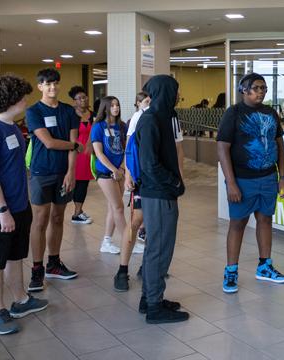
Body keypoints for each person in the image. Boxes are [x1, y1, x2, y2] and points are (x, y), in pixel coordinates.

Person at [0, 75, 48, 335]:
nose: (26, 101)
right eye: (23, 97)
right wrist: (3, 211)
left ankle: (21, 300)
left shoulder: (13, 128)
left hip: (18, 205)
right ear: (11, 101)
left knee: (15, 256)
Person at [216, 72, 284, 295]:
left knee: (265, 220)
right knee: (237, 224)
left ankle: (265, 266)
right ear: (244, 90)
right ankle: (231, 271)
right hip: (242, 180)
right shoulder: (233, 113)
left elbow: (280, 145)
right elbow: (222, 147)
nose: (261, 92)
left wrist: (282, 177)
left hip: (268, 178)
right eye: (257, 88)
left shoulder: (270, 113)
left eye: (264, 88)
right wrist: (231, 183)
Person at [135, 74, 188, 324]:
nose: (177, 95)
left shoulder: (162, 117)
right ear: (165, 91)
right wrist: (174, 182)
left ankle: (150, 298)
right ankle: (154, 306)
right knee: (159, 249)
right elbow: (148, 164)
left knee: (155, 248)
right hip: (159, 193)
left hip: (160, 192)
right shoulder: (151, 120)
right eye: (175, 90)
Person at [26, 68, 82, 292]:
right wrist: (74, 146)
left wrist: (71, 172)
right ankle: (37, 270)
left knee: (58, 218)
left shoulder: (68, 111)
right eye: (47, 84)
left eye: (55, 83)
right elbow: (48, 143)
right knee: (40, 220)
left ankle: (54, 264)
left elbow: (73, 143)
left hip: (63, 173)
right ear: (40, 86)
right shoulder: (33, 111)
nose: (52, 87)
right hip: (41, 172)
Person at [113, 92, 149, 291]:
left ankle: (147, 266)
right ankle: (122, 270)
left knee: (154, 224)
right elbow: (129, 148)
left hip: (159, 180)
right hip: (141, 178)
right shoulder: (138, 116)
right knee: (135, 221)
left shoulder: (170, 117)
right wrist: (128, 175)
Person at [90, 96, 126, 254]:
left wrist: (122, 169)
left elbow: (125, 149)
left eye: (117, 105)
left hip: (120, 171)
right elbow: (99, 153)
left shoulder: (121, 126)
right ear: (105, 108)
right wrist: (114, 170)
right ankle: (128, 240)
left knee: (113, 207)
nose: (115, 108)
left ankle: (106, 242)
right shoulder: (98, 127)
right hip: (105, 172)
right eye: (112, 105)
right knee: (119, 207)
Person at [68, 86, 95, 225]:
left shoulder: (93, 114)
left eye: (85, 97)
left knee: (83, 183)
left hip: (88, 154)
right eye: (80, 98)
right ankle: (76, 212)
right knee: (75, 183)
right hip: (75, 153)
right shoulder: (71, 115)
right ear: (74, 101)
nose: (83, 100)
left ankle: (78, 212)